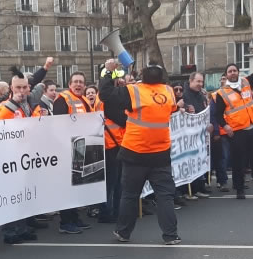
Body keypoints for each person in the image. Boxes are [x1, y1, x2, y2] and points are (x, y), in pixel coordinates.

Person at [99, 60, 182, 245]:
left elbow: (105, 94)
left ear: (142, 77)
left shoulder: (133, 91)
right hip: (160, 152)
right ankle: (170, 235)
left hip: (135, 151)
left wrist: (108, 71)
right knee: (165, 195)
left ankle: (123, 232)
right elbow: (172, 109)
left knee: (129, 195)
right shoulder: (168, 91)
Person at [212, 48, 253, 199]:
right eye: (230, 71)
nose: (233, 73)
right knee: (238, 162)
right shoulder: (221, 93)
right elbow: (217, 114)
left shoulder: (246, 82)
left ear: (238, 72)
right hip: (236, 132)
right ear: (226, 75)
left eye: (234, 70)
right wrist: (225, 126)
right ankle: (239, 189)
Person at [0, 67, 42, 244]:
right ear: (11, 88)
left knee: (22, 194)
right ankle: (10, 231)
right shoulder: (5, 106)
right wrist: (13, 102)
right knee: (11, 196)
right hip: (9, 160)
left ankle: (21, 227)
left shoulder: (28, 105)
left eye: (24, 88)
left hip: (25, 158)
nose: (21, 91)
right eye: (18, 88)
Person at [53, 71, 93, 234]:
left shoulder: (83, 100)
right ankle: (66, 221)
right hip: (67, 148)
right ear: (69, 85)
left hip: (80, 148)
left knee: (76, 186)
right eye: (75, 82)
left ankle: (74, 217)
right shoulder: (62, 99)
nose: (78, 85)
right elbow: (58, 124)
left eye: (81, 82)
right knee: (67, 188)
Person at [94, 71, 125, 224]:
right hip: (111, 144)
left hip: (114, 142)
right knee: (113, 182)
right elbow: (122, 118)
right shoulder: (107, 99)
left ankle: (113, 211)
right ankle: (107, 212)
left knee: (115, 182)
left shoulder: (103, 98)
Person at [179, 72, 211, 199]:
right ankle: (187, 190)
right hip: (188, 136)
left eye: (201, 82)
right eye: (198, 81)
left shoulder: (201, 96)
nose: (200, 84)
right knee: (189, 162)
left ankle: (198, 187)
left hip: (200, 135)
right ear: (190, 80)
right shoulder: (184, 95)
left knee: (199, 161)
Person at [209, 77, 231, 191]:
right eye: (222, 79)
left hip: (236, 130)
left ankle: (238, 180)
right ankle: (222, 181)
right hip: (223, 132)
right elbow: (213, 115)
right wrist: (217, 132)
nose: (224, 81)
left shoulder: (237, 93)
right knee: (223, 157)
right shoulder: (216, 95)